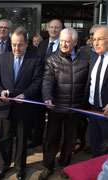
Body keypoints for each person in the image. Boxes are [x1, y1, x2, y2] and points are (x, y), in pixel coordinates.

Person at [0, 26, 43, 180]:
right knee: (4, 138)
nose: (16, 48)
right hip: (5, 106)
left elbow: (37, 81)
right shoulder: (2, 57)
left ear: (26, 43)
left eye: (20, 44)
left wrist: (25, 94)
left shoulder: (35, 60)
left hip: (23, 107)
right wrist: (0, 92)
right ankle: (3, 166)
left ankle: (20, 168)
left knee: (21, 140)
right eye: (13, 44)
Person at [38, 27, 89, 180]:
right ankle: (48, 166)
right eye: (62, 41)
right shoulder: (52, 59)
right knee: (51, 139)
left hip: (75, 109)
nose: (64, 45)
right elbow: (47, 81)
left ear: (75, 42)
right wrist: (47, 96)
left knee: (70, 139)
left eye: (68, 41)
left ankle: (64, 165)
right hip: (56, 108)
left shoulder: (86, 58)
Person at [28, 19, 63, 149]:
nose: (53, 30)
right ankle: (38, 138)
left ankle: (50, 143)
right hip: (39, 86)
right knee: (38, 116)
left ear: (61, 30)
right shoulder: (42, 44)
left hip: (56, 88)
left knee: (54, 119)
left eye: (57, 28)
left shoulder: (64, 45)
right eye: (51, 27)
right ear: (48, 29)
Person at [84, 26, 108, 158]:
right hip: (93, 111)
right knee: (95, 146)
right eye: (94, 39)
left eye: (100, 39)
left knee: (106, 150)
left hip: (106, 112)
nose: (96, 43)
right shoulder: (93, 60)